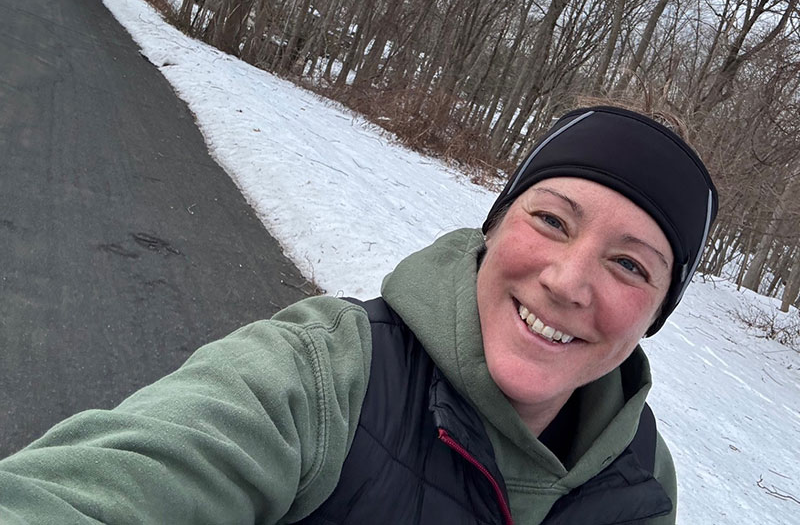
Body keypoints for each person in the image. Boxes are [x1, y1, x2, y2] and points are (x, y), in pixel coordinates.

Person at [0, 105, 718, 524]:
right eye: (553, 221)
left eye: (629, 265)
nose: (568, 282)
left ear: (656, 313)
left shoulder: (640, 481)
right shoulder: (326, 374)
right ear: (494, 228)